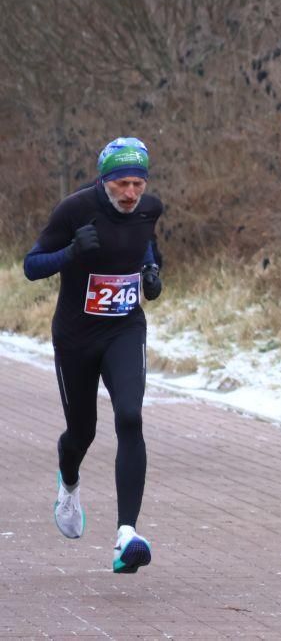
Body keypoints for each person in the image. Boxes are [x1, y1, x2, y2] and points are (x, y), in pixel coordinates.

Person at [24, 137, 164, 574]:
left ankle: (127, 535)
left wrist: (152, 270)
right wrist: (71, 253)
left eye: (138, 183)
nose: (131, 193)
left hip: (124, 328)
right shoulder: (74, 209)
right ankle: (68, 484)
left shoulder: (149, 208)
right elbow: (31, 266)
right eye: (122, 183)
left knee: (130, 417)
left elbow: (145, 242)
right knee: (82, 432)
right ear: (105, 180)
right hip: (76, 337)